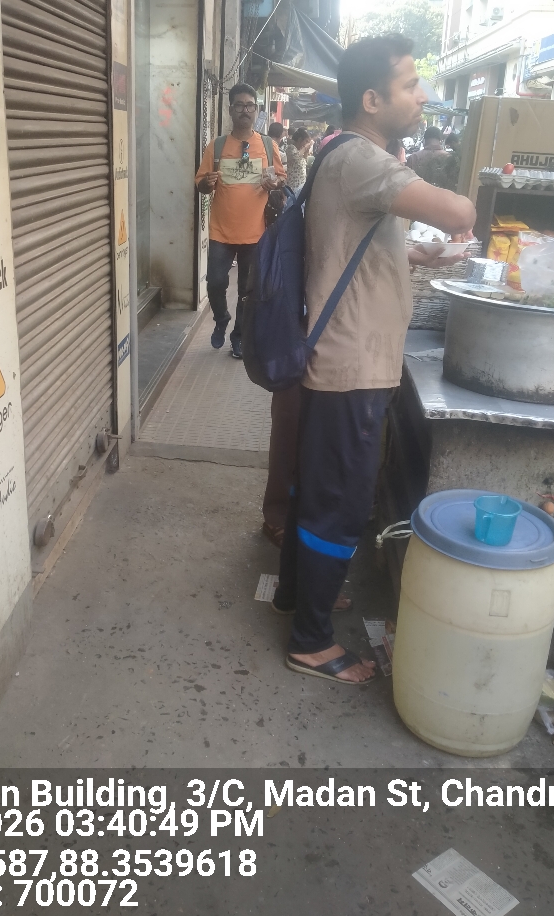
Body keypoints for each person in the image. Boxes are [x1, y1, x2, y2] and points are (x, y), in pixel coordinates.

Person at [272, 34, 475, 686]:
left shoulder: (342, 153)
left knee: (318, 489)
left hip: (341, 359)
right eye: (410, 85)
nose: (422, 97)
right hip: (351, 366)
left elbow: (351, 240)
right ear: (371, 100)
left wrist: (417, 254)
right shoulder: (363, 158)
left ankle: (297, 596)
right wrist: (453, 216)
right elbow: (460, 210)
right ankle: (311, 643)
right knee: (340, 501)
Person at [195, 84, 287, 359]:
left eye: (249, 105)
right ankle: (221, 318)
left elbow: (281, 178)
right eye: (239, 105)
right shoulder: (217, 146)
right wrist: (207, 183)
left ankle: (239, 337)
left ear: (256, 110)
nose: (244, 110)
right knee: (215, 283)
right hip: (220, 232)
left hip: (256, 233)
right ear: (230, 109)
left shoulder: (268, 146)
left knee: (248, 291)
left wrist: (275, 184)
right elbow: (200, 184)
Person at [285, 127, 312, 194]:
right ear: (300, 140)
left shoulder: (300, 150)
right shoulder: (291, 148)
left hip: (300, 185)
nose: (307, 144)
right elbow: (296, 157)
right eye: (306, 141)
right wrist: (305, 148)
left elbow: (303, 160)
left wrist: (306, 151)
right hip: (293, 185)